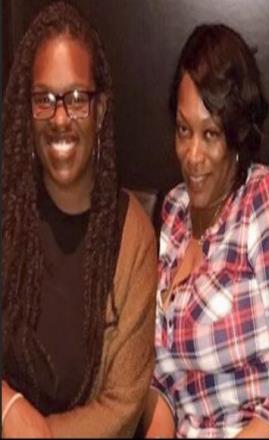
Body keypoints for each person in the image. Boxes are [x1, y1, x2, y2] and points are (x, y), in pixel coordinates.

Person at [141, 23, 269, 438]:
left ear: (237, 134)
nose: (192, 155)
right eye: (184, 130)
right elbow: (166, 381)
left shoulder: (267, 201)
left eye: (210, 134)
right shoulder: (173, 211)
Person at [2, 2, 157, 437]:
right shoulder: (8, 213)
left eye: (75, 99)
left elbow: (124, 404)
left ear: (100, 110)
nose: (59, 118)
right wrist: (7, 407)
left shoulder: (132, 238)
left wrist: (42, 434)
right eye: (44, 99)